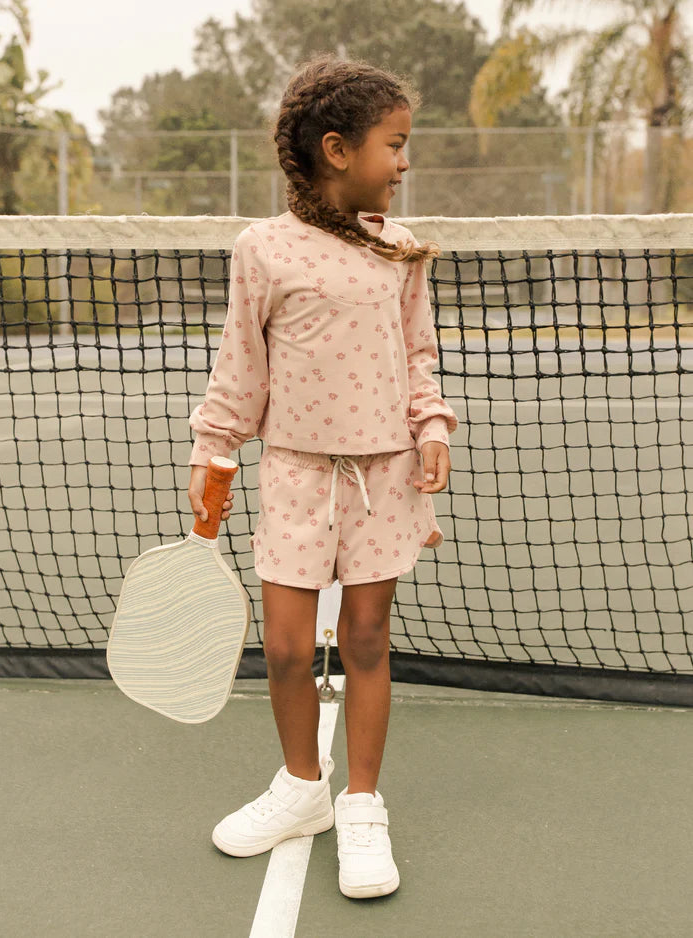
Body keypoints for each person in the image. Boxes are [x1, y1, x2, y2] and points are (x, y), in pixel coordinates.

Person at [187, 53, 457, 899]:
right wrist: (213, 448)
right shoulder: (263, 249)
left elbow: (418, 355)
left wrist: (431, 425)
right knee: (285, 651)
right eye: (394, 144)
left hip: (384, 476)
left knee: (368, 641)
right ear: (338, 150)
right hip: (296, 476)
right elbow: (241, 365)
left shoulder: (401, 251)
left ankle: (362, 804)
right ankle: (303, 789)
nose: (404, 162)